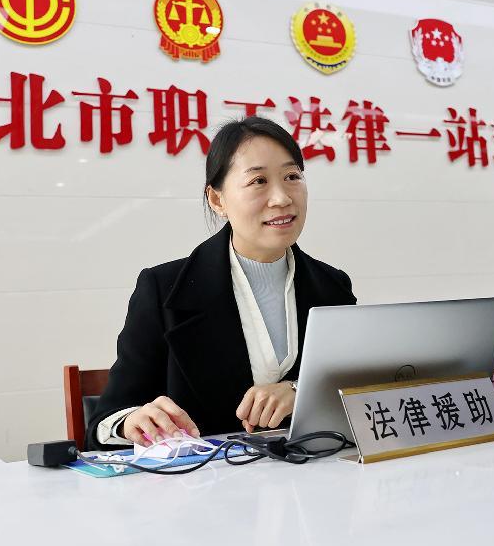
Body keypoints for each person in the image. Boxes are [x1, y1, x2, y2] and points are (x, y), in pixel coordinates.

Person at [86, 117, 356, 448]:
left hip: (318, 472)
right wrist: (132, 421)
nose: (282, 198)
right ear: (218, 200)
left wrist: (299, 389)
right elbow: (105, 420)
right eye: (258, 181)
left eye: (292, 177)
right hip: (206, 476)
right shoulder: (163, 289)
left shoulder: (333, 286)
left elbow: (357, 389)